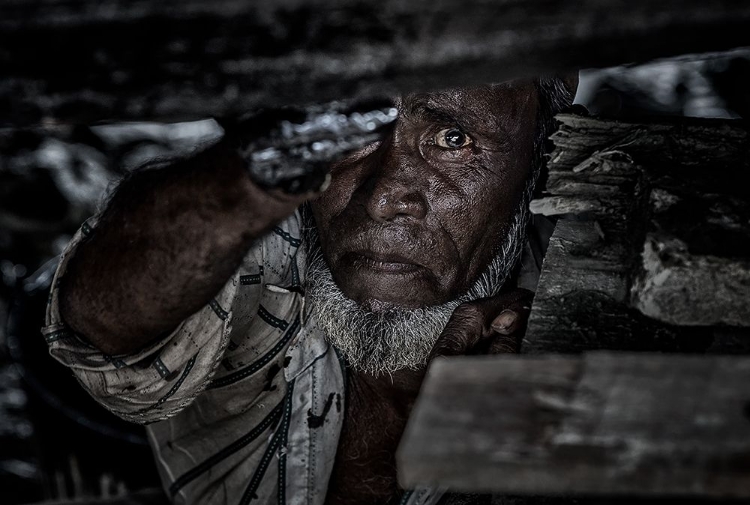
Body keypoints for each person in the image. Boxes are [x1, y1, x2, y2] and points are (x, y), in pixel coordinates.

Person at [42, 78, 576, 505]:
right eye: (353, 135)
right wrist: (258, 171)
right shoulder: (258, 236)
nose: (383, 197)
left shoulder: (588, 287)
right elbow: (100, 324)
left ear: (538, 152)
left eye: (453, 140)